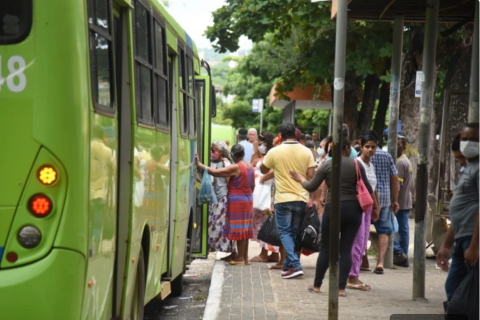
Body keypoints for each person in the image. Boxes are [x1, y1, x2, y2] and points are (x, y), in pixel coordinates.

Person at [290, 137, 373, 297]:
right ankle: (341, 288)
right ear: (347, 148)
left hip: (333, 209)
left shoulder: (327, 165)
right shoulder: (356, 164)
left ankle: (317, 286)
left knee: (326, 249)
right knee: (346, 248)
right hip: (353, 209)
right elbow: (368, 188)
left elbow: (311, 186)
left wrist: (301, 178)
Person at [261, 123, 316, 279]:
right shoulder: (307, 152)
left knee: (285, 232)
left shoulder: (275, 151)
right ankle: (288, 267)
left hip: (283, 199)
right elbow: (311, 175)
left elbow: (264, 170)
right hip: (301, 198)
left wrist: (271, 149)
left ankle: (295, 264)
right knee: (293, 232)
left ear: (280, 136)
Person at [437, 123, 479, 303]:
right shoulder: (466, 169)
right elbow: (459, 208)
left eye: (473, 139)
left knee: (471, 292)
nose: (467, 143)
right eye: (464, 139)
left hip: (472, 237)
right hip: (462, 237)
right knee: (453, 287)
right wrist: (446, 243)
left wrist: (475, 246)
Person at [196, 144, 255, 265]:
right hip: (248, 198)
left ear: (233, 155)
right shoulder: (249, 166)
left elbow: (216, 172)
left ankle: (239, 259)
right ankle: (245, 258)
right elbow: (253, 185)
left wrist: (200, 165)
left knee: (239, 229)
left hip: (237, 200)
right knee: (245, 229)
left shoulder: (236, 167)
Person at [346, 134, 380, 291]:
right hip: (357, 207)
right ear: (361, 146)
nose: (370, 150)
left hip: (368, 208)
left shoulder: (371, 166)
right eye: (367, 147)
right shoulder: (356, 164)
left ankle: (354, 275)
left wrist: (376, 207)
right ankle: (351, 276)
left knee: (363, 241)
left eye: (373, 147)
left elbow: (373, 189)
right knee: (358, 242)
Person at [365, 130, 399, 274]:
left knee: (363, 231)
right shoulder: (387, 156)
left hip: (365, 198)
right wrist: (395, 200)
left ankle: (364, 260)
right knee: (384, 232)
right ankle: (380, 262)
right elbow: (395, 178)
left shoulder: (362, 156)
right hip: (384, 198)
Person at [249, 132, 281, 263]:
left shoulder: (273, 154)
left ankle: (264, 253)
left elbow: (274, 170)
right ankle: (273, 253)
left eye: (261, 143)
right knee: (266, 221)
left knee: (266, 222)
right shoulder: (266, 155)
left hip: (268, 192)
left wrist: (262, 178)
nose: (260, 145)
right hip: (265, 191)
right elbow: (253, 162)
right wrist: (256, 149)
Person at [206, 141, 237, 260]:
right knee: (216, 225)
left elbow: (229, 181)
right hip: (217, 197)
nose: (211, 153)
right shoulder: (216, 163)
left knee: (223, 226)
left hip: (223, 198)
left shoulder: (225, 164)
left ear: (220, 153)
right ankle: (228, 252)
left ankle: (232, 253)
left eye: (213, 151)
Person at [393, 135, 413, 267]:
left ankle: (402, 254)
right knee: (402, 228)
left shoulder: (400, 162)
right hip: (405, 200)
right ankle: (402, 254)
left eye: (398, 145)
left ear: (404, 147)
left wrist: (393, 200)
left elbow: (398, 186)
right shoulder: (404, 160)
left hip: (401, 201)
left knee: (401, 228)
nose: (396, 147)